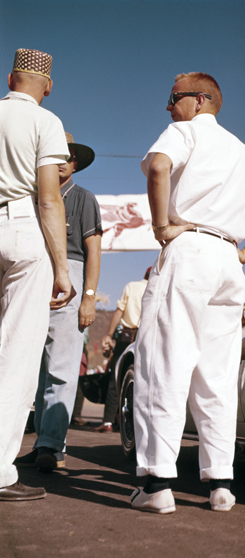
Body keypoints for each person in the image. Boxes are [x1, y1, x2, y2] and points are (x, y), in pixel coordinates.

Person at [132, 72, 245, 514]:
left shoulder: (184, 131)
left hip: (190, 248)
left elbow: (159, 165)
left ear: (200, 100)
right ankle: (221, 484)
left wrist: (162, 227)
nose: (168, 106)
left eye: (173, 98)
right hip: (226, 261)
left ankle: (158, 483)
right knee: (216, 373)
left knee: (164, 361)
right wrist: (244, 254)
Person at [0, 49, 74, 501]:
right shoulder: (45, 121)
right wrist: (62, 270)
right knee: (16, 354)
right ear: (47, 86)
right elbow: (49, 198)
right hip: (23, 230)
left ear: (10, 78)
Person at [14, 132, 102, 471]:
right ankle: (40, 443)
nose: (59, 164)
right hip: (33, 274)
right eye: (52, 157)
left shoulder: (83, 198)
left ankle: (51, 445)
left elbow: (93, 250)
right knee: (32, 367)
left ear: (75, 163)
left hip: (72, 276)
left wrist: (89, 299)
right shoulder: (32, 196)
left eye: (65, 158)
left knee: (61, 367)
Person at [96, 267, 150, 433]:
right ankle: (139, 423)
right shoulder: (159, 288)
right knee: (145, 378)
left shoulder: (132, 286)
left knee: (116, 378)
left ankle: (108, 422)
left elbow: (119, 311)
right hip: (147, 336)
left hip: (127, 337)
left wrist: (109, 335)